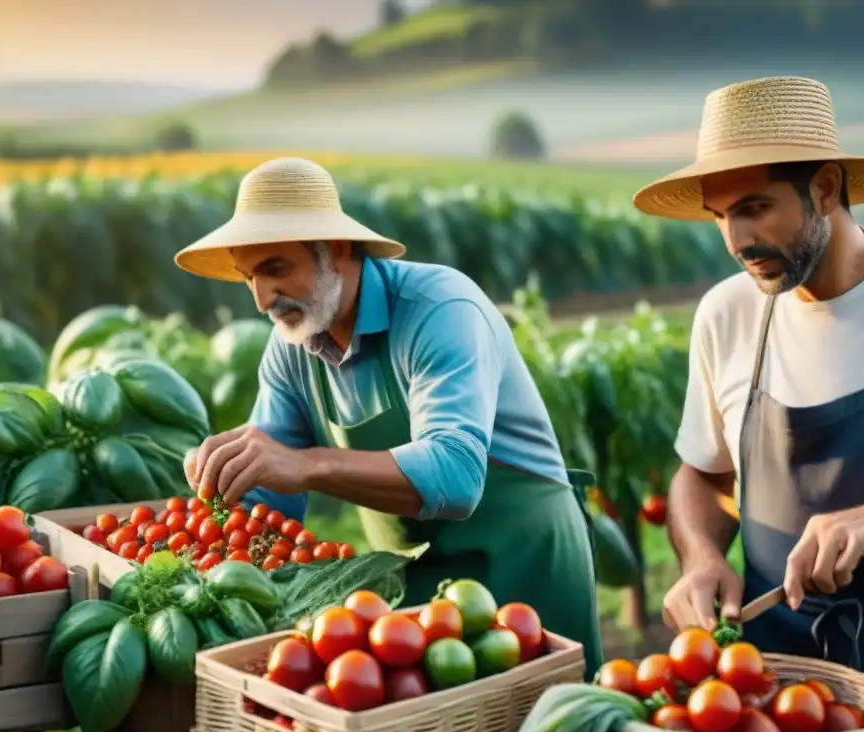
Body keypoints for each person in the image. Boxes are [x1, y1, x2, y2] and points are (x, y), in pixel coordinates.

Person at [173, 156, 604, 675]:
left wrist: (306, 464)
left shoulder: (439, 309)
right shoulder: (292, 343)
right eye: (249, 277)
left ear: (335, 251)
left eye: (275, 269)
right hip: (413, 576)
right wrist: (218, 499)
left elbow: (456, 477)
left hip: (524, 563)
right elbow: (269, 497)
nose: (263, 297)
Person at [635, 75, 864, 732]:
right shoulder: (727, 313)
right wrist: (701, 556)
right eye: (720, 214)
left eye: (755, 208)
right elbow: (702, 475)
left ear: (824, 188)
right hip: (767, 684)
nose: (736, 238)